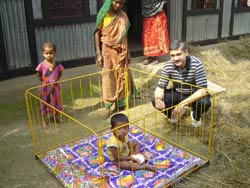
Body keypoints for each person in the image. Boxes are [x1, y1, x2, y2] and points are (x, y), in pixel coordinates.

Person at [152, 40, 211, 127]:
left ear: (186, 52)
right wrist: (158, 99)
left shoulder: (197, 64)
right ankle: (174, 114)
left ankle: (195, 115)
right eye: (172, 55)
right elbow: (160, 87)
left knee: (204, 103)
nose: (175, 58)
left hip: (194, 94)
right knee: (155, 100)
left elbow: (202, 90)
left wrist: (182, 104)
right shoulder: (168, 66)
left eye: (179, 54)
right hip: (178, 92)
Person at [94, 0, 135, 119]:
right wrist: (98, 54)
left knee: (122, 76)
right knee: (108, 78)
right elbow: (97, 33)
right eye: (116, 2)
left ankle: (120, 103)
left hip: (121, 51)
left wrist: (127, 52)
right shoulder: (104, 14)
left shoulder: (124, 16)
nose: (118, 5)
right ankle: (108, 106)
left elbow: (124, 35)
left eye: (121, 3)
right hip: (107, 50)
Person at [36, 42, 64, 128]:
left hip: (55, 87)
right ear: (43, 53)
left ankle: (56, 116)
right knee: (44, 103)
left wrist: (56, 80)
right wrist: (44, 81)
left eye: (51, 53)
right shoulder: (41, 65)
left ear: (55, 53)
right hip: (45, 88)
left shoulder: (58, 65)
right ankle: (44, 121)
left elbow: (60, 73)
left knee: (56, 102)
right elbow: (38, 74)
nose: (49, 55)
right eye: (46, 53)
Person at [141, 0, 169, 65]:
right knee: (147, 36)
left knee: (155, 36)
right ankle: (150, 56)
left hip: (157, 13)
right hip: (146, 13)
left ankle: (155, 57)